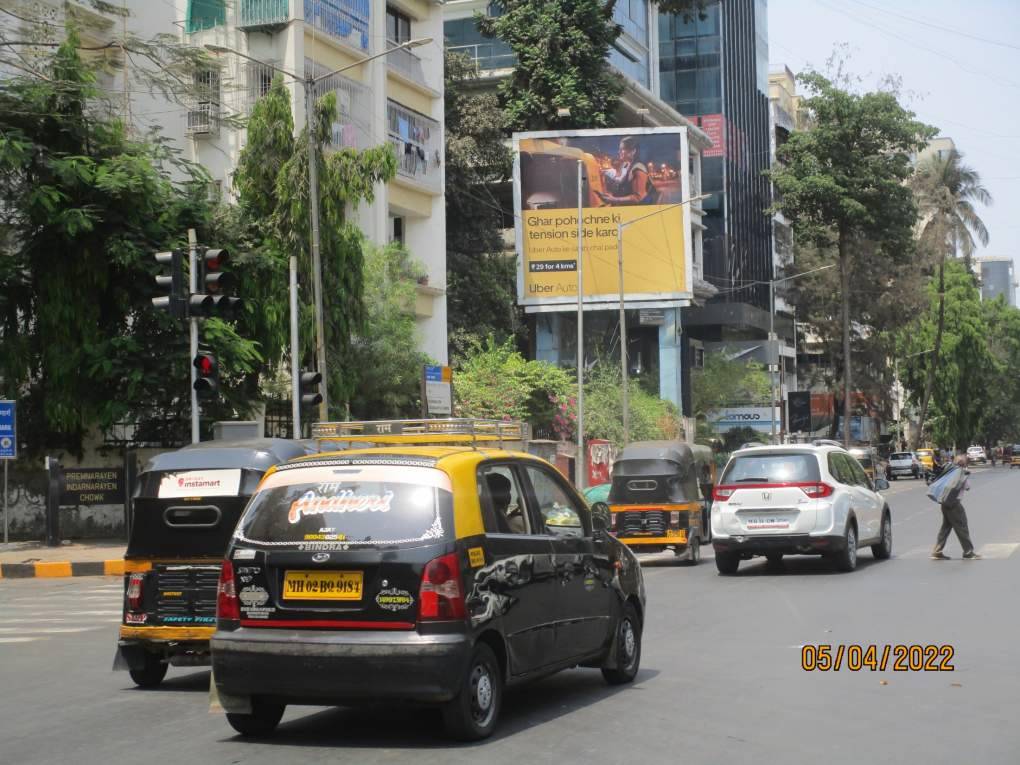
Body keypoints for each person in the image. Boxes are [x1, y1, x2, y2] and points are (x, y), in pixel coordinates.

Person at [931, 455, 981, 560]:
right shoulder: (960, 473)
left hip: (944, 502)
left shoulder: (949, 472)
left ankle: (937, 551)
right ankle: (968, 552)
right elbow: (967, 487)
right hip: (954, 504)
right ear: (964, 463)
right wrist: (966, 473)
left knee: (945, 527)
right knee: (962, 527)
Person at [595, 136, 660, 206]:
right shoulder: (628, 166)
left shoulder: (638, 168)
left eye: (622, 149)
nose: (619, 152)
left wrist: (613, 199)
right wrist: (610, 197)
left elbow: (639, 197)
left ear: (633, 151)